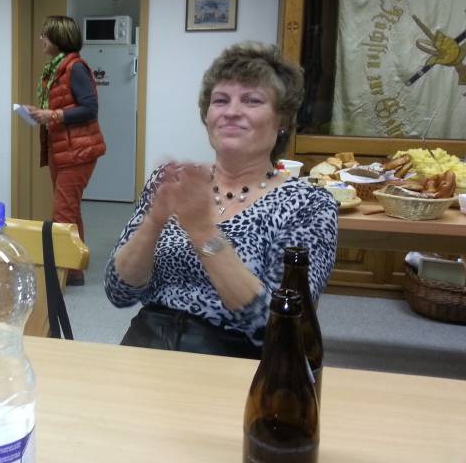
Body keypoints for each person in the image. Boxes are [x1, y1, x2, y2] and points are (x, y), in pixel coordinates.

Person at [105, 42, 338, 359]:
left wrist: (203, 233)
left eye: (252, 100)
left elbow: (280, 326)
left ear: (282, 120)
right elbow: (118, 292)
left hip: (236, 359)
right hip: (147, 346)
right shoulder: (175, 181)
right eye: (220, 100)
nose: (231, 112)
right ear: (207, 115)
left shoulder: (309, 204)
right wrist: (154, 222)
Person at [26, 16, 106, 286]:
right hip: (61, 149)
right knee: (70, 210)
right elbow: (62, 108)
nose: (41, 39)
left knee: (62, 214)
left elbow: (90, 109)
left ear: (58, 38)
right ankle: (74, 269)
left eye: (45, 35)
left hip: (78, 152)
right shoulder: (55, 69)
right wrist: (41, 113)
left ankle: (64, 271)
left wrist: (53, 114)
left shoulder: (75, 68)